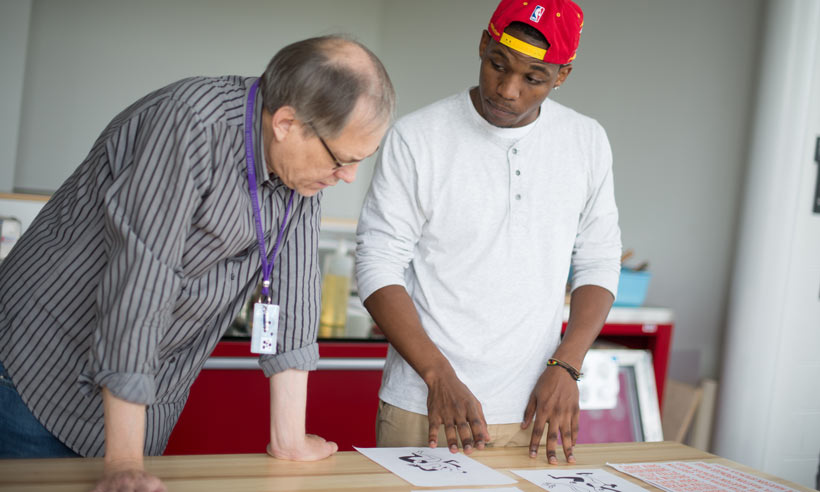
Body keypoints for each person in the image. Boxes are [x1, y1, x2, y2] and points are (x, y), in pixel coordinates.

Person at [0, 35, 394, 491]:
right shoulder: (189, 125)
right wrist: (124, 460)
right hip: (40, 373)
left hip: (143, 402)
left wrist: (288, 438)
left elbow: (296, 291)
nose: (347, 177)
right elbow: (141, 283)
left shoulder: (302, 170)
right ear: (287, 122)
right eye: (344, 160)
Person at [355, 0, 621, 465]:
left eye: (533, 78)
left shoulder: (587, 141)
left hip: (535, 414)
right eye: (497, 65)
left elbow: (598, 260)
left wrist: (567, 364)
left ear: (562, 76)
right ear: (483, 43)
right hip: (425, 407)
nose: (507, 90)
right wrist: (438, 376)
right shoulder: (417, 137)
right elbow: (377, 263)